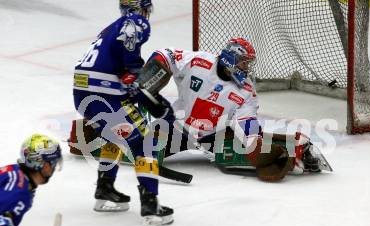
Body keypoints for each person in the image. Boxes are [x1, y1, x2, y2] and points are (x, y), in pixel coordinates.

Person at [133, 38, 325, 182]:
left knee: (251, 149)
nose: (246, 68)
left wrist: (254, 146)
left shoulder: (246, 91)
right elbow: (167, 55)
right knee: (140, 144)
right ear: (231, 59)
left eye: (248, 63)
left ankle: (298, 151)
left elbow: (247, 123)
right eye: (244, 62)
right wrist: (147, 78)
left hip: (213, 137)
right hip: (177, 128)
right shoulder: (199, 62)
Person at [72, 0, 173, 226]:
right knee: (144, 143)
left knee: (115, 136)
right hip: (104, 94)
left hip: (82, 92)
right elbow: (130, 70)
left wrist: (133, 83)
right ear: (142, 8)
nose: (147, 14)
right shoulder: (135, 22)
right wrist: (150, 96)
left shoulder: (109, 28)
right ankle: (151, 206)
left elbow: (119, 67)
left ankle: (105, 189)